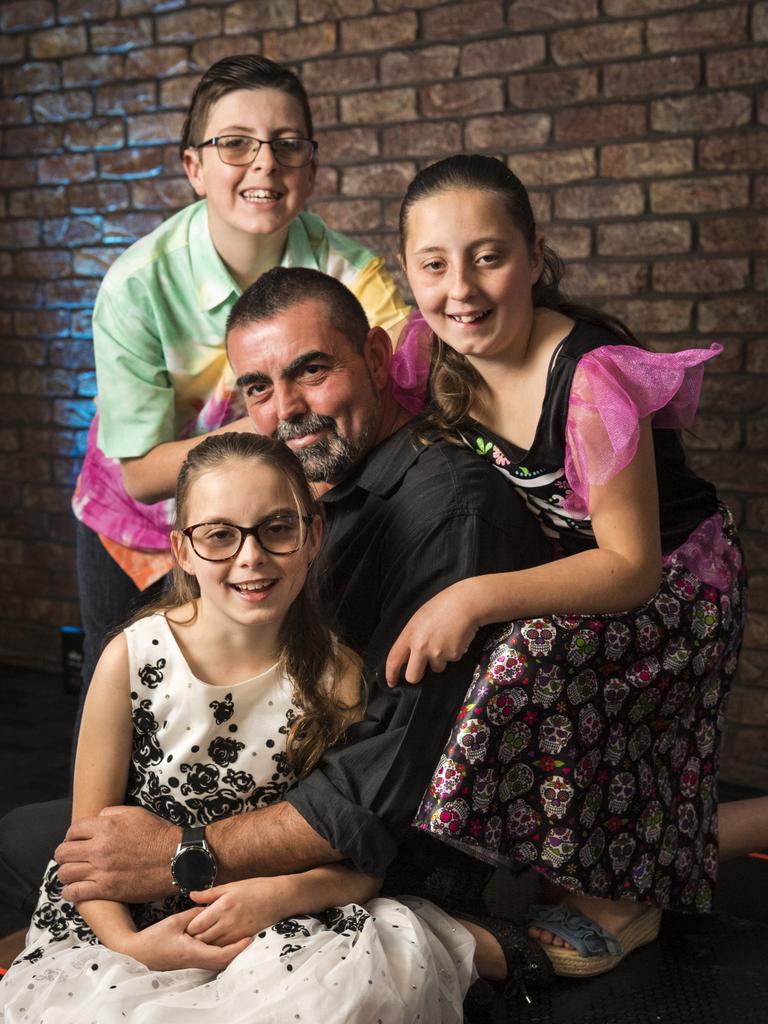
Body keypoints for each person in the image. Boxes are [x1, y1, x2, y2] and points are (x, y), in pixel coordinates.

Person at [6, 269, 558, 1003]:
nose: (286, 408)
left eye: (312, 370)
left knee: (29, 848)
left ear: (374, 353)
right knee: (42, 841)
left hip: (378, 855)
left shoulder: (447, 513)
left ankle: (483, 938)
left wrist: (182, 853)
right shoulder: (318, 483)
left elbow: (382, 789)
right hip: (249, 800)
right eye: (258, 389)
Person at [387, 153, 750, 977]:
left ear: (535, 256)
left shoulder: (589, 378)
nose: (462, 289)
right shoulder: (429, 350)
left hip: (681, 588)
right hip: (582, 571)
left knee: (527, 654)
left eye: (490, 256)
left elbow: (630, 568)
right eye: (434, 265)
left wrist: (475, 596)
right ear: (407, 273)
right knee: (596, 808)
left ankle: (624, 907)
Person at [2, 433, 477, 1023]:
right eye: (220, 535)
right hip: (125, 920)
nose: (250, 556)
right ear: (182, 549)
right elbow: (87, 854)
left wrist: (282, 894)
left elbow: (361, 866)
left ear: (313, 536)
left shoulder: (340, 679)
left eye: (277, 528)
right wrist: (130, 947)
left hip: (278, 921)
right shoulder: (130, 658)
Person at [72, 52, 409, 739]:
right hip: (140, 524)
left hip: (266, 520)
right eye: (234, 144)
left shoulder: (353, 270)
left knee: (255, 717)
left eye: (288, 145)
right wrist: (276, 434)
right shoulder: (135, 285)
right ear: (194, 166)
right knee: (127, 713)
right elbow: (139, 473)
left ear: (311, 168)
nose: (265, 165)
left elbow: (397, 387)